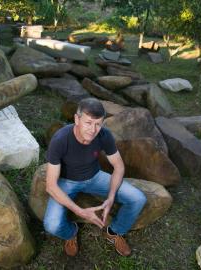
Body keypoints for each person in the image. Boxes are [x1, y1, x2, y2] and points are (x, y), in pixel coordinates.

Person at [44, 97, 147, 257]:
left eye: (98, 124)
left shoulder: (104, 135)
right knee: (52, 225)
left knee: (138, 198)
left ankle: (114, 232)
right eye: (88, 122)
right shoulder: (60, 139)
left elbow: (119, 166)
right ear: (77, 119)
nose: (93, 129)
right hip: (66, 182)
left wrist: (111, 197)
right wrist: (80, 211)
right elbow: (50, 185)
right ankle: (71, 233)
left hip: (95, 177)